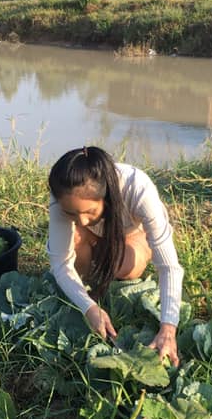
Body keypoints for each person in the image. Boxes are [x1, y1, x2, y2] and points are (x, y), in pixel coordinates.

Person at [47, 146, 184, 366]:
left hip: (131, 235)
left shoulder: (138, 189)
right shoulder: (62, 200)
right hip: (92, 237)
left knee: (127, 268)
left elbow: (168, 266)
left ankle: (108, 263)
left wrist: (168, 327)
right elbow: (60, 264)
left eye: (89, 211)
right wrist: (88, 307)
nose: (80, 220)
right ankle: (88, 283)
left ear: (106, 196)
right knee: (72, 242)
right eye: (71, 213)